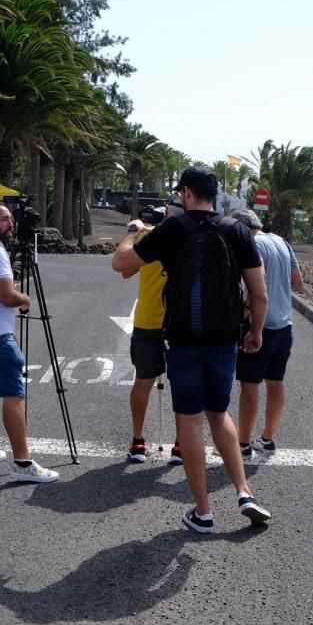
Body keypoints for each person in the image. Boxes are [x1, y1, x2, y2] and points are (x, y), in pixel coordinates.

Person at [112, 167, 271, 532]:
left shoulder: (172, 230)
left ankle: (203, 511)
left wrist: (131, 235)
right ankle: (244, 491)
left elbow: (121, 263)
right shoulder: (237, 230)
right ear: (214, 194)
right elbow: (259, 294)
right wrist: (255, 331)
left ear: (185, 192)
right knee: (219, 413)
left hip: (183, 341)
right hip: (225, 341)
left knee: (189, 422)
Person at [0, 203, 59, 483]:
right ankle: (23, 463)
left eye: (12, 219)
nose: (11, 224)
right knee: (14, 395)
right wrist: (25, 299)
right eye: (4, 219)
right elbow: (6, 296)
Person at [231, 209, 304, 457]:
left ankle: (242, 444)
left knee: (250, 385)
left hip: (260, 325)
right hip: (285, 326)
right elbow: (297, 281)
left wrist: (245, 314)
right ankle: (268, 438)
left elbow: (256, 285)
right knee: (275, 383)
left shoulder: (253, 246)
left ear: (241, 229)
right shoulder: (281, 242)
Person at [120, 198, 185, 465]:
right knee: (183, 385)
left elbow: (124, 269)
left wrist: (133, 233)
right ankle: (182, 445)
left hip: (149, 321)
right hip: (181, 324)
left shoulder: (150, 236)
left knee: (143, 380)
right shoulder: (195, 236)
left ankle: (138, 441)